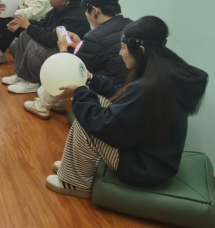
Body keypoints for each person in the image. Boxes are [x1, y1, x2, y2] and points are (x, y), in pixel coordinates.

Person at [46, 16, 209, 198]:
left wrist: (80, 92)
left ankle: (75, 182)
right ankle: (72, 165)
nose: (120, 53)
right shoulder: (163, 73)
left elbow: (104, 125)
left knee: (87, 121)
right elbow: (123, 95)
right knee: (97, 100)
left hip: (145, 168)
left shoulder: (148, 86)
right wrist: (91, 80)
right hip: (159, 159)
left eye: (123, 48)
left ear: (141, 50)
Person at [26, 0, 133, 120]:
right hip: (129, 90)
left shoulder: (96, 36)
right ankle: (58, 103)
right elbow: (104, 53)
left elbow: (71, 68)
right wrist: (80, 43)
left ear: (95, 11)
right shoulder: (130, 25)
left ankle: (42, 105)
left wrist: (63, 48)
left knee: (61, 68)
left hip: (111, 92)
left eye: (87, 12)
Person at [2, 0, 90, 94]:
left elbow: (49, 39)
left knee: (36, 45)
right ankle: (21, 75)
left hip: (67, 56)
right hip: (55, 46)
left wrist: (28, 26)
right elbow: (42, 24)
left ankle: (32, 82)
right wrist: (23, 24)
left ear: (66, 1)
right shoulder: (58, 9)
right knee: (25, 35)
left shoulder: (75, 19)